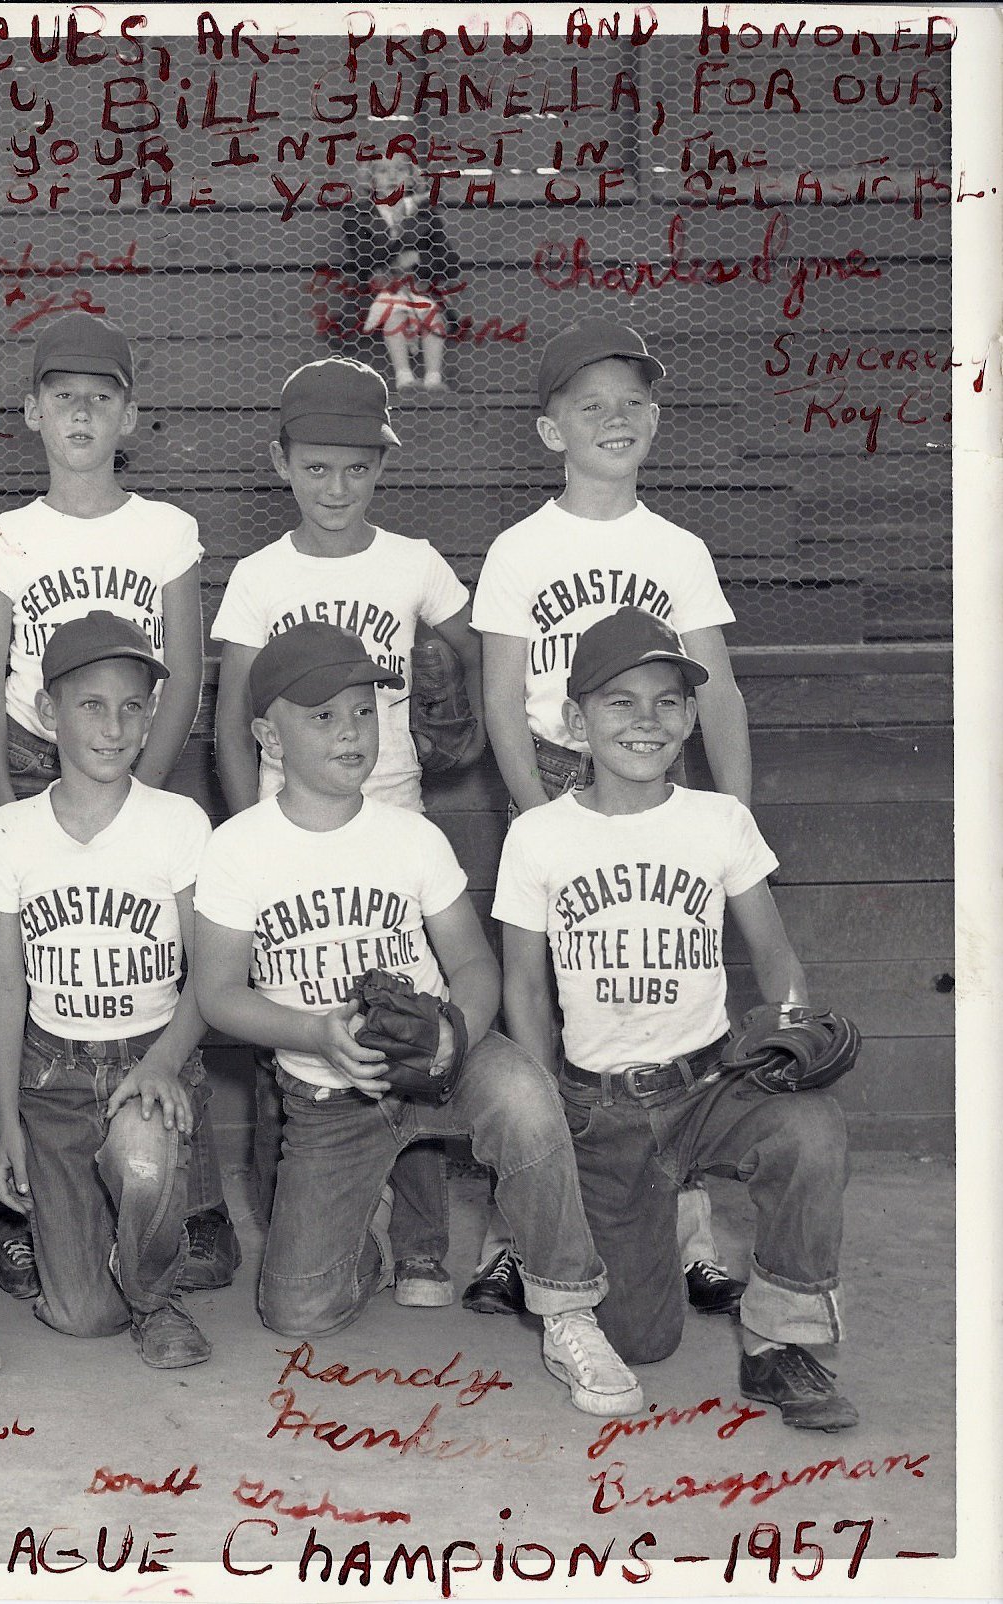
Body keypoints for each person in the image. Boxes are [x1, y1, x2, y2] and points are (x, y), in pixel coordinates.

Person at [191, 621, 643, 1418]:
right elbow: (217, 993)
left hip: (439, 1065)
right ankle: (359, 1233)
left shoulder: (410, 835)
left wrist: (455, 1034)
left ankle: (569, 1308)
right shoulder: (237, 848)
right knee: (299, 1313)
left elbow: (473, 964)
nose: (351, 732)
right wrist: (313, 1032)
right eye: (322, 716)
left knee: (527, 1098)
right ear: (268, 735)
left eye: (364, 713)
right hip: (328, 1091)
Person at [493, 609, 856, 1431]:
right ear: (575, 722)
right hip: (603, 1105)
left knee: (811, 1128)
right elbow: (524, 987)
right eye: (619, 704)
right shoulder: (540, 836)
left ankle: (776, 1343)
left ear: (692, 718)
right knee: (640, 1339)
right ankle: (571, 1255)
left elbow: (775, 954)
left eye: (667, 703)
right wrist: (548, 1102)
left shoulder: (717, 820)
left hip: (710, 1085)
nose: (646, 722)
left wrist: (793, 1025)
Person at [469, 316, 752, 1320]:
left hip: (659, 790)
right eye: (591, 405)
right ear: (551, 431)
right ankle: (523, 1236)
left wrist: (734, 817)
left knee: (671, 1000)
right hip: (552, 778)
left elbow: (714, 691)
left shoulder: (675, 546)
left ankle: (689, 1233)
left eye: (632, 402)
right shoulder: (520, 546)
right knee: (538, 1008)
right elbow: (503, 699)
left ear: (658, 419)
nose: (615, 419)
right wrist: (546, 818)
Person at [0, 311, 234, 1300]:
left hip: (136, 745)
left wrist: (142, 792)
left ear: (130, 414)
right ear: (32, 411)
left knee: (144, 957)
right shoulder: (7, 535)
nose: (81, 410)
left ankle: (186, 1200)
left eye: (101, 395)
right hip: (37, 745)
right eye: (63, 394)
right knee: (37, 969)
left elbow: (188, 668)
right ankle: (38, 1198)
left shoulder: (162, 529)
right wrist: (6, 804)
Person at [211, 356, 480, 1309]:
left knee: (403, 1024)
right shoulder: (258, 573)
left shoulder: (413, 562)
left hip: (394, 806)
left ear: (382, 468)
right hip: (290, 820)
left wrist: (454, 702)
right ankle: (317, 1223)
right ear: (280, 463)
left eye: (357, 469)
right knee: (305, 1028)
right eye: (316, 467)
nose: (336, 488)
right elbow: (237, 704)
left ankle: (420, 1244)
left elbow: (471, 652)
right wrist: (251, 825)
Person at [0, 613, 216, 1368]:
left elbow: (208, 973)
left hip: (151, 1055)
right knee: (80, 1318)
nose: (114, 727)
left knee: (142, 1159)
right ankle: (113, 1253)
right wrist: (7, 1120)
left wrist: (165, 1064)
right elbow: (4, 984)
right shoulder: (9, 832)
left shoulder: (177, 823)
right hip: (53, 1076)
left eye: (133, 707)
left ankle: (157, 1295)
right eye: (91, 705)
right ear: (47, 713)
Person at [342, 150, 463, 391]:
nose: (392, 176)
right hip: (381, 289)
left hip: (420, 287)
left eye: (400, 169)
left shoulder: (427, 215)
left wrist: (419, 259)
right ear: (371, 178)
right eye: (383, 170)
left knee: (432, 317)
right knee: (394, 316)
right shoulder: (358, 216)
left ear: (411, 176)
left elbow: (450, 261)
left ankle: (433, 378)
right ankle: (404, 377)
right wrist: (401, 231)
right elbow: (364, 260)